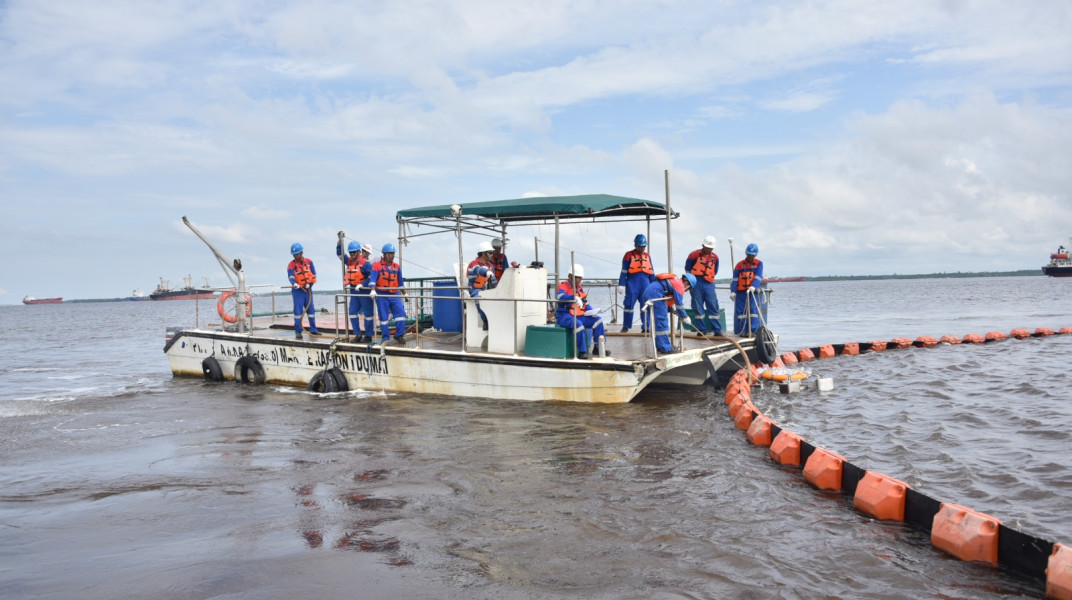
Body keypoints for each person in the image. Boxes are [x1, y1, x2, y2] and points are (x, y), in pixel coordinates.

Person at [555, 264, 608, 359]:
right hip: (565, 315)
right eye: (576, 277)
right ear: (569, 276)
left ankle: (597, 348)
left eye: (580, 278)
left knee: (598, 320)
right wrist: (573, 297)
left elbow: (584, 303)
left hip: (578, 314)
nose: (578, 280)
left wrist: (592, 311)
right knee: (578, 325)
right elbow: (559, 297)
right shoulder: (563, 286)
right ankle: (582, 352)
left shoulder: (579, 288)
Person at [639, 273, 692, 354]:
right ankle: (665, 347)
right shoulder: (680, 285)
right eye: (688, 289)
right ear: (687, 283)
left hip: (650, 293)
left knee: (657, 322)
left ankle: (660, 345)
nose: (686, 290)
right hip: (656, 295)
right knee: (662, 321)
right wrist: (685, 316)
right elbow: (679, 303)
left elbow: (667, 297)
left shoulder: (675, 281)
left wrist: (671, 309)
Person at [366, 243, 407, 344]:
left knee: (400, 314)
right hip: (382, 295)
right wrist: (372, 290)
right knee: (383, 317)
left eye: (393, 253)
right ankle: (386, 337)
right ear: (384, 254)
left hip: (394, 294)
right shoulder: (377, 266)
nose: (392, 255)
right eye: (390, 253)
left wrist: (405, 294)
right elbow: (372, 280)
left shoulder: (397, 267)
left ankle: (399, 335)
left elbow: (400, 282)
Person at [337, 236, 374, 342]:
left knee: (368, 314)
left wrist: (363, 284)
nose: (352, 254)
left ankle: (368, 335)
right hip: (353, 291)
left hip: (364, 291)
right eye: (351, 253)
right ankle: (357, 334)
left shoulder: (365, 264)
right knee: (352, 312)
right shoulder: (349, 262)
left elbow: (372, 276)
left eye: (354, 252)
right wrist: (339, 242)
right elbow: (340, 255)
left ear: (358, 252)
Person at [618, 233, 656, 333]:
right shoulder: (628, 255)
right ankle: (626, 326)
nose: (642, 249)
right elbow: (624, 271)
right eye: (640, 246)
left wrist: (654, 285)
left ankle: (646, 327)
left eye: (644, 246)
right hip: (632, 284)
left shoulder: (647, 256)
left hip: (646, 284)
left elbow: (651, 271)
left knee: (646, 306)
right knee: (629, 305)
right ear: (635, 245)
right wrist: (621, 284)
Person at [684, 235, 721, 334]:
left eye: (711, 248)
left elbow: (715, 270)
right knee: (697, 306)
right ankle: (701, 329)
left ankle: (717, 330)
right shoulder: (693, 255)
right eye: (707, 247)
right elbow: (688, 268)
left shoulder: (715, 258)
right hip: (696, 283)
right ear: (703, 246)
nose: (709, 250)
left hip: (709, 283)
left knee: (713, 305)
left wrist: (708, 276)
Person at [731, 243, 764, 335]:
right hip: (741, 293)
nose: (750, 257)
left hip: (752, 292)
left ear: (756, 255)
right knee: (741, 312)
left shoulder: (759, 264)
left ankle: (753, 331)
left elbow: (758, 276)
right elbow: (735, 279)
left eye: (753, 255)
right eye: (749, 254)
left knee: (753, 311)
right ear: (746, 253)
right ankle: (743, 331)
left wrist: (754, 286)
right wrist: (733, 291)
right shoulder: (739, 265)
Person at [288, 242, 318, 339]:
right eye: (294, 254)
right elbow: (291, 277)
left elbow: (314, 275)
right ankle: (298, 331)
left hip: (308, 290)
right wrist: (294, 284)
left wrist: (310, 284)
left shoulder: (309, 262)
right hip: (298, 291)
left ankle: (313, 330)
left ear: (301, 253)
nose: (296, 256)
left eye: (297, 254)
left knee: (311, 310)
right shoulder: (291, 265)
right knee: (298, 312)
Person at [467, 241, 498, 329]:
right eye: (490, 253)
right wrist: (486, 272)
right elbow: (477, 269)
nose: (492, 255)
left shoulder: (490, 266)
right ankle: (486, 321)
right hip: (475, 289)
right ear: (484, 254)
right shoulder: (473, 264)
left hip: (487, 290)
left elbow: (494, 281)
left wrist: (499, 291)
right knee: (480, 300)